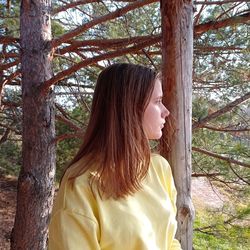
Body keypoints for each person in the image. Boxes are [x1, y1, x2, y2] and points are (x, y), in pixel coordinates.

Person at [48, 63, 182, 250]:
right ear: (129, 107)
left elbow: (169, 241)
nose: (166, 111)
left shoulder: (159, 168)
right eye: (158, 101)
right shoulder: (80, 186)